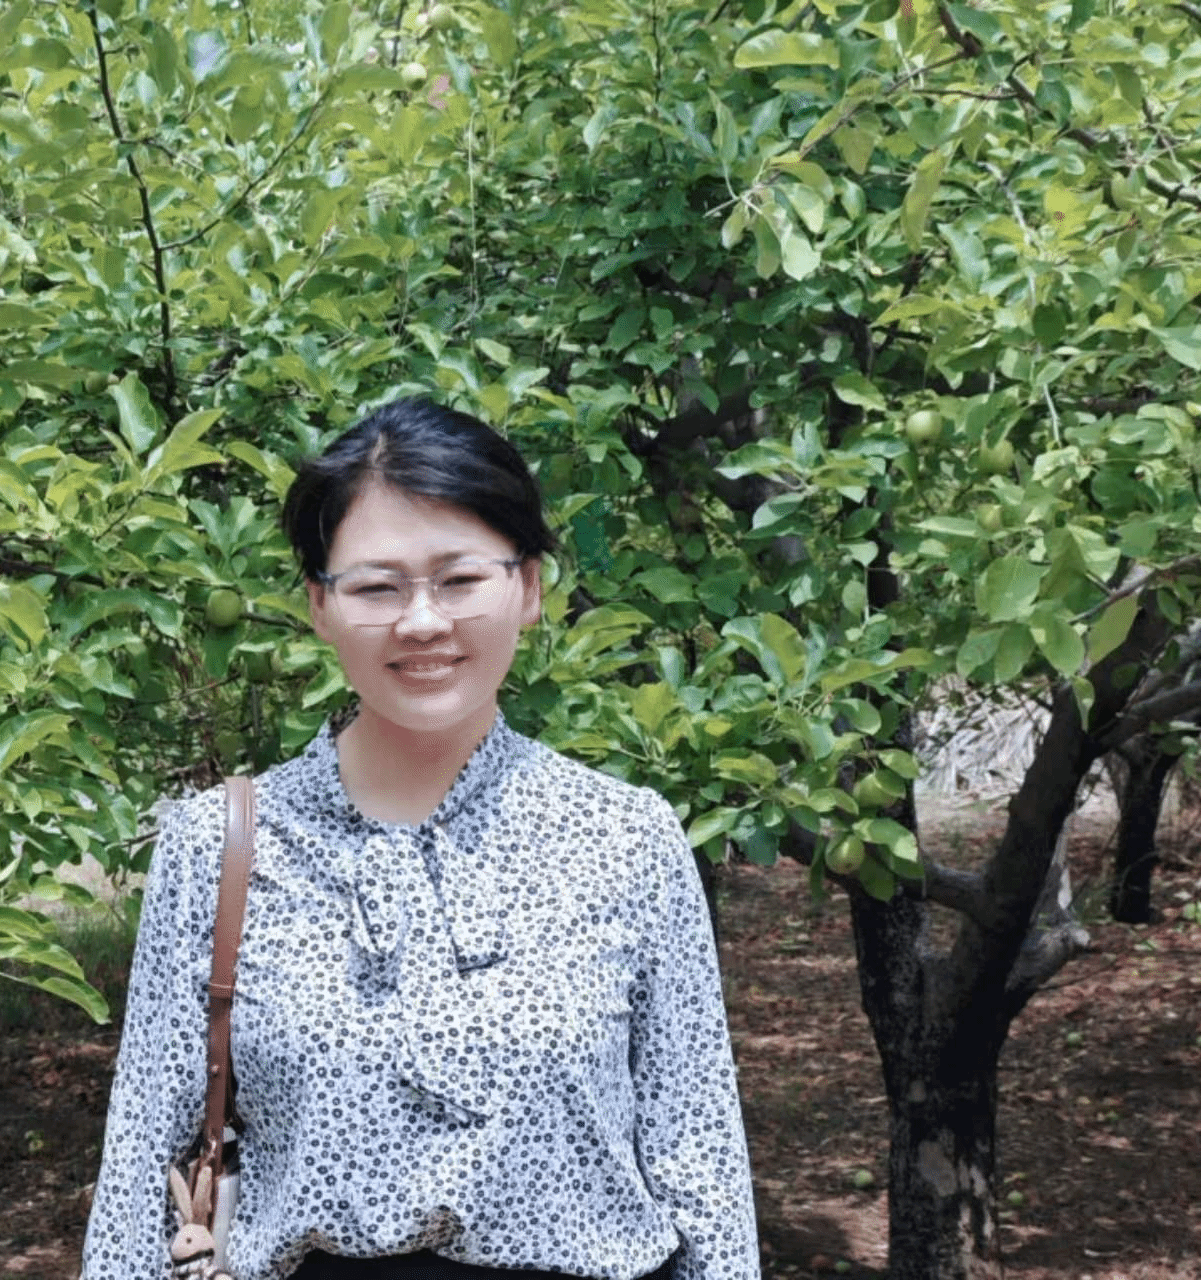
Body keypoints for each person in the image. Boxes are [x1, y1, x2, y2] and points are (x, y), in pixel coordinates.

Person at [83, 398, 760, 1280]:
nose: (423, 621)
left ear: (529, 587)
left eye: (460, 579)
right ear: (320, 606)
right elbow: (139, 1163)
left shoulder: (627, 837)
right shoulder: (220, 844)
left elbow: (701, 1163)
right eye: (377, 587)